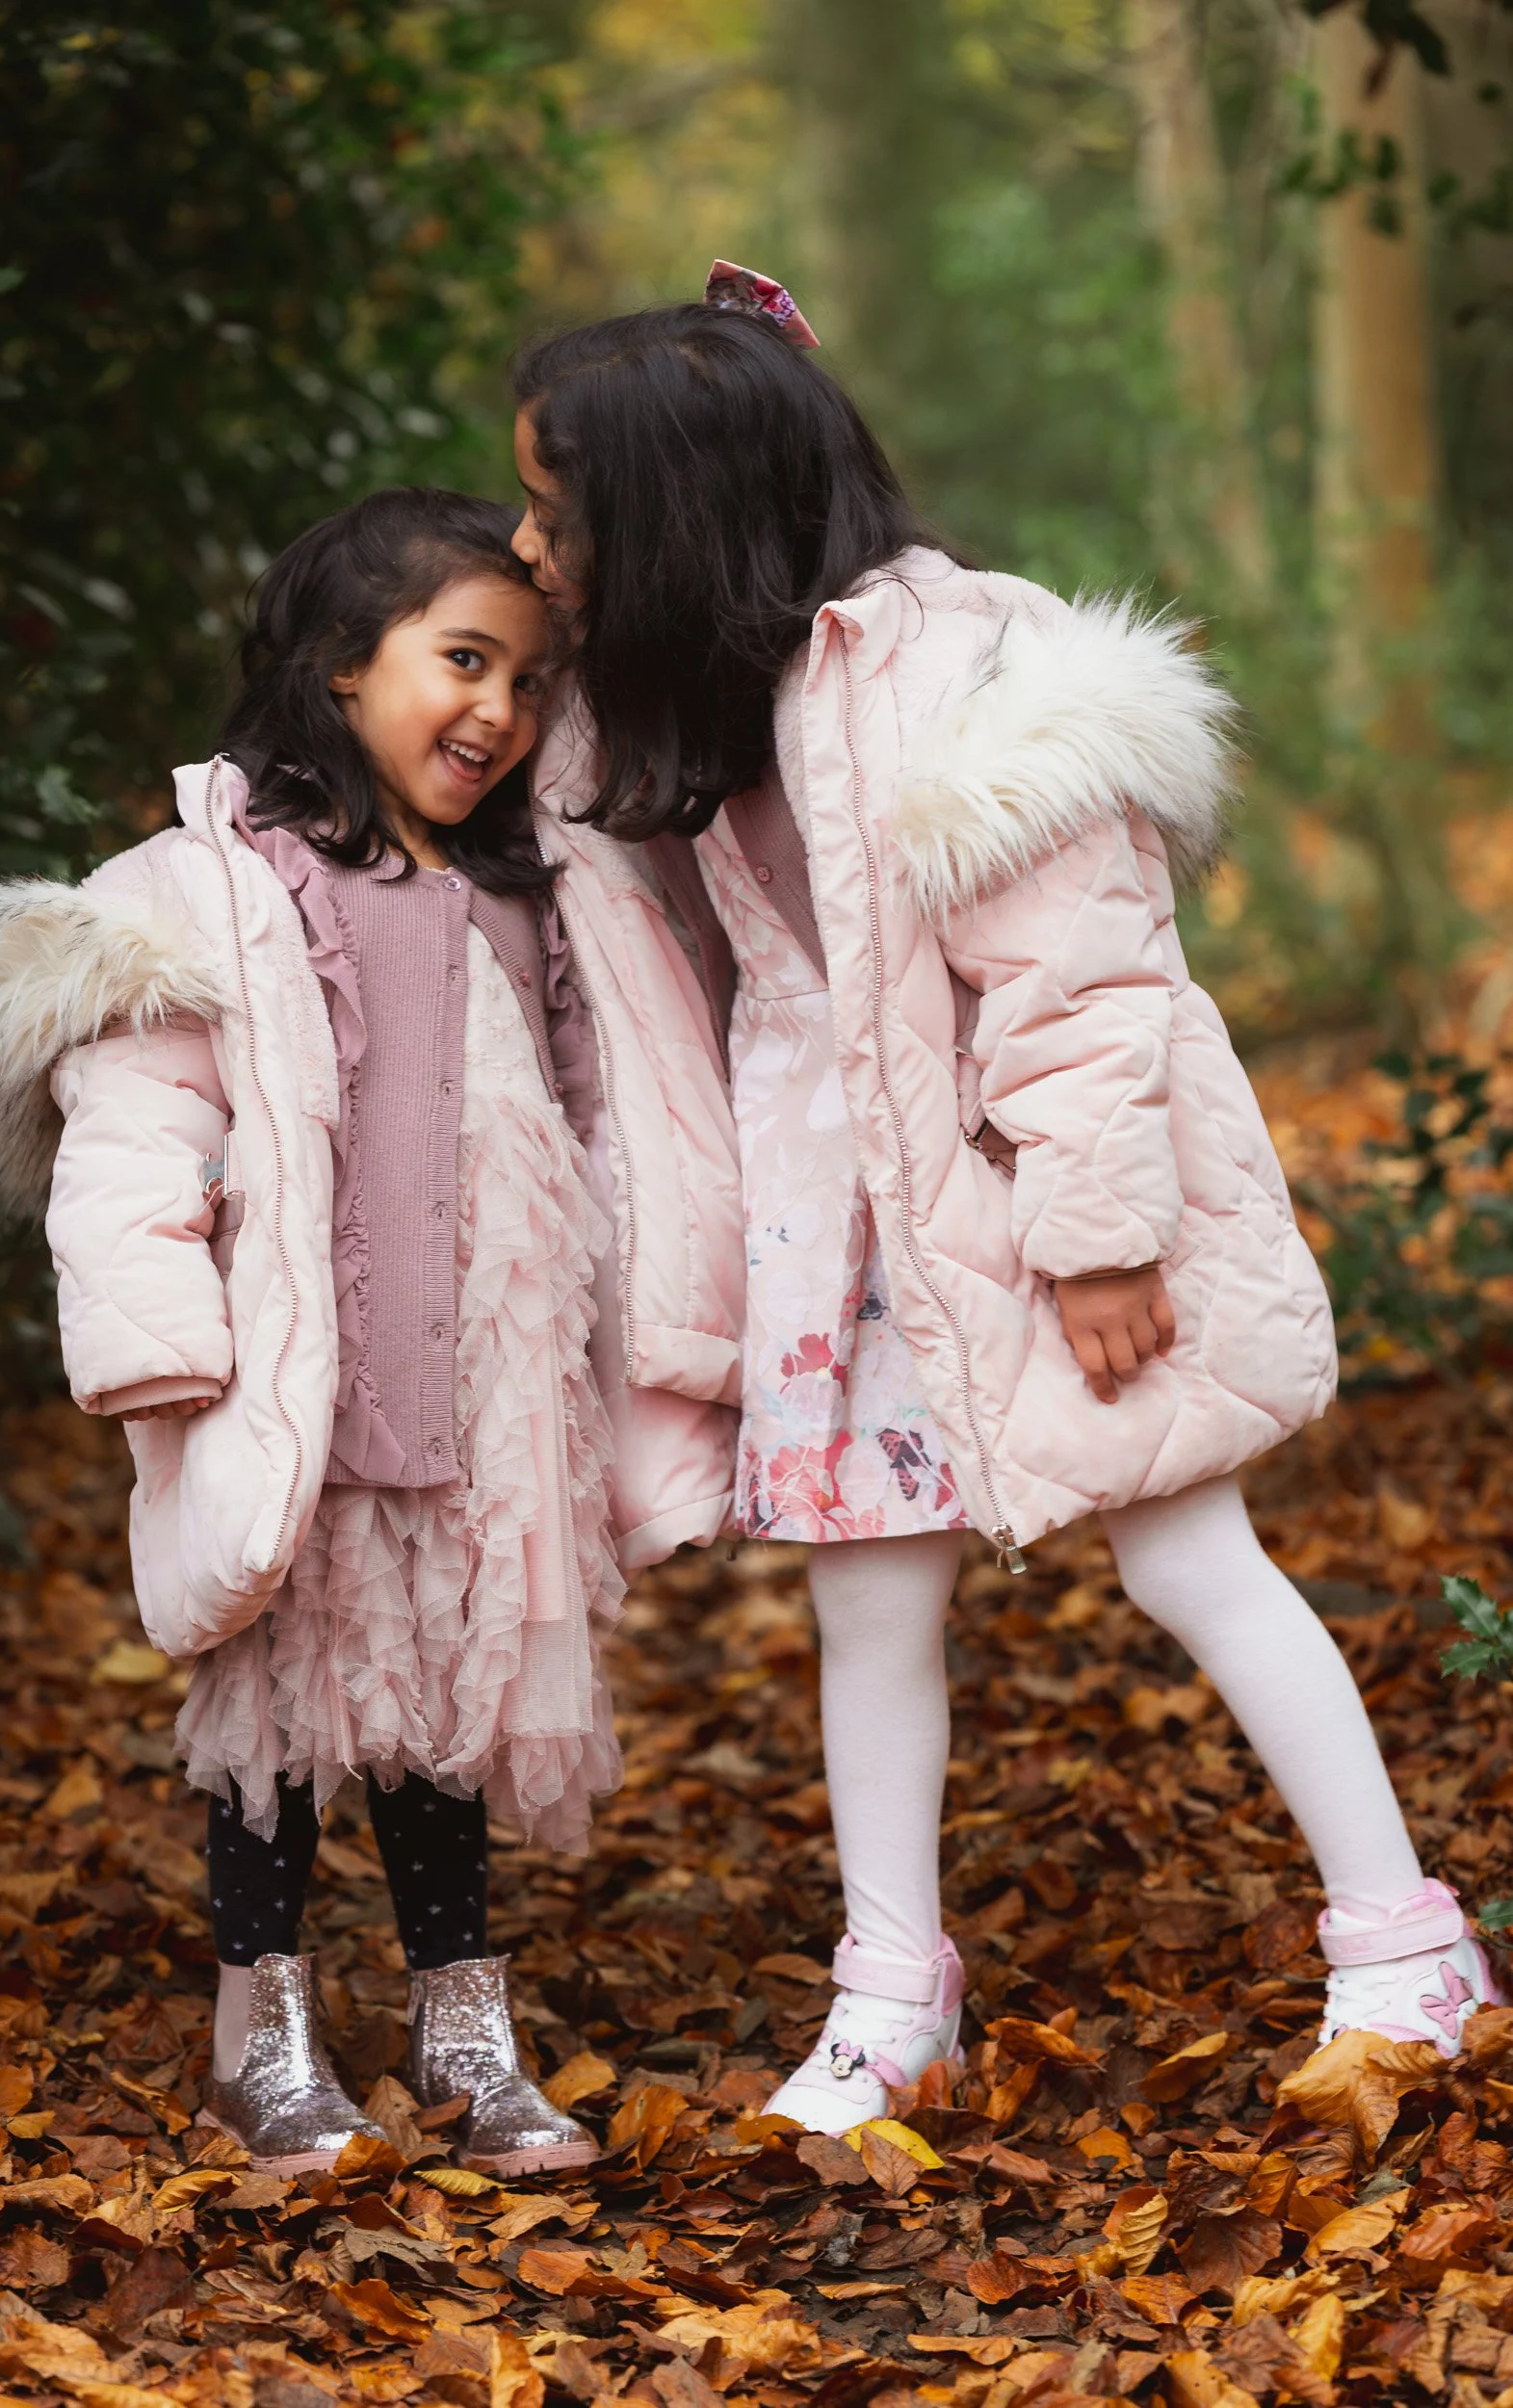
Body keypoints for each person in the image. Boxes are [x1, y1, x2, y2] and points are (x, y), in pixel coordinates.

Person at [507, 269, 1500, 2135]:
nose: (524, 542)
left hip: (1021, 1182)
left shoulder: (960, 671)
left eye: (556, 511)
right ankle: (893, 1993)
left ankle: (1401, 1942)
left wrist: (1101, 1230)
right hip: (827, 1206)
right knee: (867, 1596)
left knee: (1183, 1544)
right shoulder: (659, 709)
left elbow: (1079, 975)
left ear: (669, 515)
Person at [0, 487, 742, 2174]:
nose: (500, 713)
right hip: (293, 1369)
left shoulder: (537, 891)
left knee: (444, 1697)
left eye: (529, 680)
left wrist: (649, 1335)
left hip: (485, 1377)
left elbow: (615, 1114)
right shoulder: (218, 889)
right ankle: (265, 2024)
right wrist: (157, 1336)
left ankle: (462, 2018)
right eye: (462, 661)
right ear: (336, 666)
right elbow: (137, 1122)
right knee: (284, 1708)